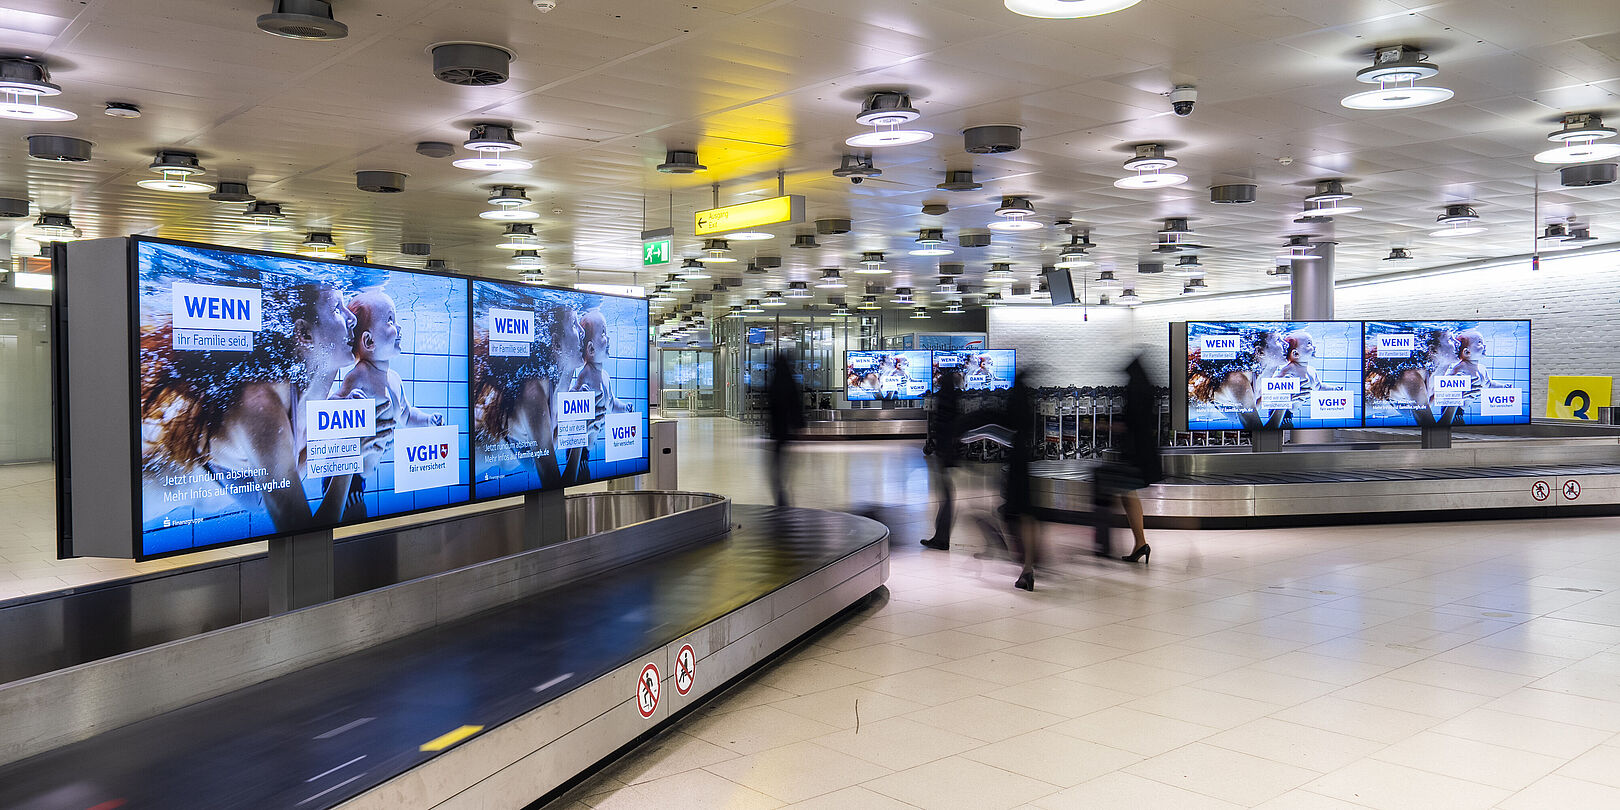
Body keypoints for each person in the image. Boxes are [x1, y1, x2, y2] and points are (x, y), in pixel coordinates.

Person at [142, 280, 384, 533]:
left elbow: (291, 460)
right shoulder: (260, 406)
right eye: (337, 308)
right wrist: (348, 456)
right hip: (165, 485)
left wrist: (345, 436)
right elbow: (303, 540)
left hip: (226, 489)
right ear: (303, 333)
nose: (351, 319)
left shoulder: (321, 371)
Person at [1096, 357, 1163, 564]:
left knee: (1124, 494)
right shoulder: (1145, 392)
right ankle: (1139, 543)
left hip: (1136, 453)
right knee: (1127, 495)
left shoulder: (1135, 394)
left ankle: (1132, 543)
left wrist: (1101, 426)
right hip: (1142, 451)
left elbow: (1128, 424)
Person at [1002, 370, 1040, 590]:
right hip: (1026, 462)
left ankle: (1027, 567)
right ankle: (1028, 564)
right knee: (1027, 516)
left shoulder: (1014, 407)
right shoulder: (1029, 408)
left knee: (1014, 514)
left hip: (1017, 465)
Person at [920, 369, 962, 551]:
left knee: (945, 495)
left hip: (944, 452)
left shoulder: (944, 400)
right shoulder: (952, 398)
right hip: (948, 452)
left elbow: (943, 426)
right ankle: (941, 536)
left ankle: (941, 537)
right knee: (946, 494)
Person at [764, 350, 805, 507]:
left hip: (777, 429)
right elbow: (795, 405)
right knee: (783, 462)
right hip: (786, 429)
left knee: (777, 462)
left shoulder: (775, 381)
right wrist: (798, 425)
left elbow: (771, 405)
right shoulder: (790, 381)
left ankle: (780, 490)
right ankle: (783, 489)